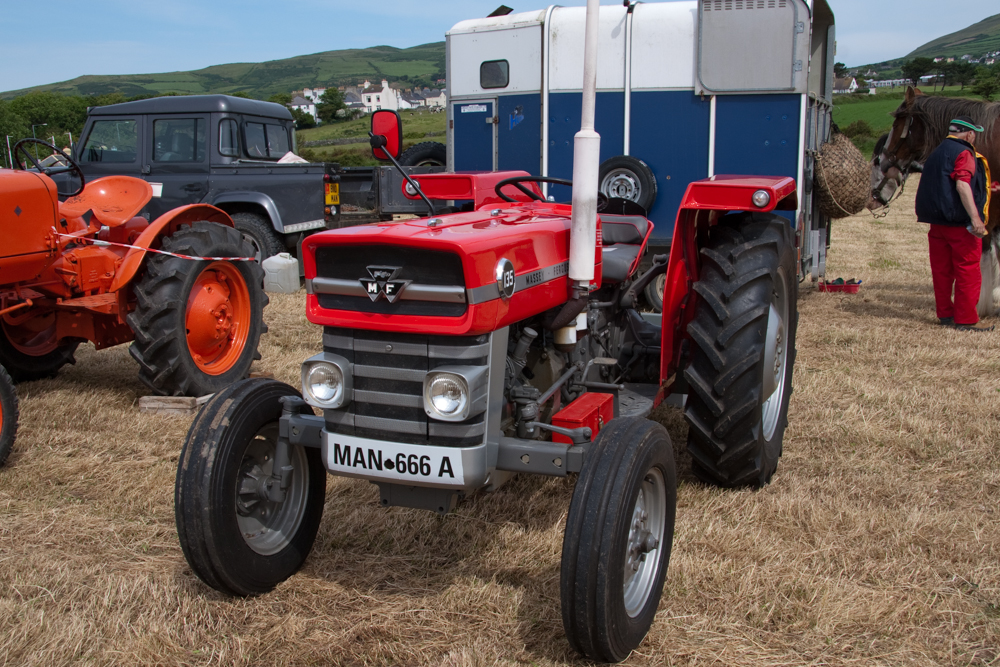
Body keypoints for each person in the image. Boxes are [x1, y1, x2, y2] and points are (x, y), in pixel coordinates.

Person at [914, 115, 1000, 332]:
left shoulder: (937, 152)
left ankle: (945, 314)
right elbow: (962, 185)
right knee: (967, 271)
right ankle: (966, 319)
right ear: (969, 133)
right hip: (960, 225)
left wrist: (987, 188)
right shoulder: (964, 152)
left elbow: (945, 184)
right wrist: (975, 218)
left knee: (942, 271)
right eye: (974, 135)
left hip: (938, 224)